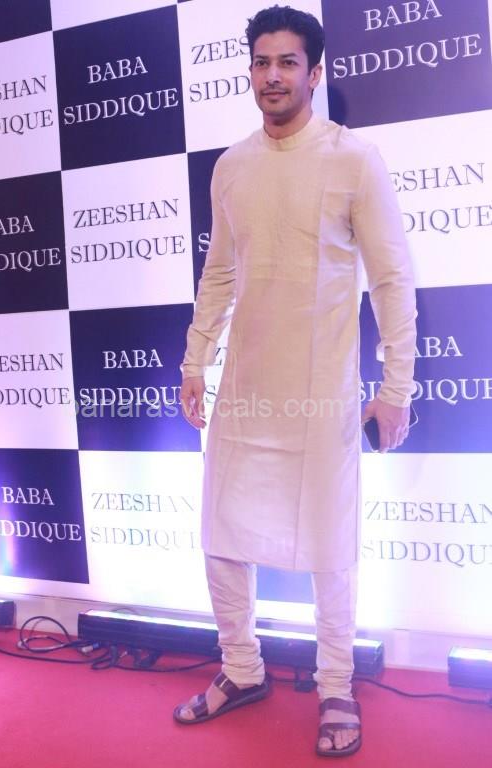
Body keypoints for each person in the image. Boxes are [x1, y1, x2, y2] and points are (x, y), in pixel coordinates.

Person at [175, 4, 416, 758]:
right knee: (221, 535)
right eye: (261, 62)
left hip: (321, 395)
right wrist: (195, 360)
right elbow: (219, 274)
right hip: (245, 389)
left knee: (330, 548)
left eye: (287, 62)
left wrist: (396, 388)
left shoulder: (353, 159)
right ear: (249, 71)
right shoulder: (232, 166)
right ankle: (241, 669)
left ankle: (335, 685)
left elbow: (392, 280)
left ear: (315, 73)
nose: (272, 76)